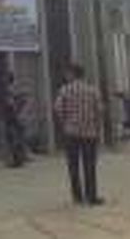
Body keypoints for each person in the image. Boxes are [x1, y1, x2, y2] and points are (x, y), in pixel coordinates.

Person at [54, 64, 104, 206]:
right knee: (90, 165)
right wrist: (97, 129)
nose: (65, 76)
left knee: (73, 166)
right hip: (90, 133)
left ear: (71, 74)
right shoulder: (93, 90)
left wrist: (65, 122)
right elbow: (99, 111)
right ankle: (91, 197)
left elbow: (57, 109)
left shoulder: (64, 90)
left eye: (67, 73)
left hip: (71, 133)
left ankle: (77, 197)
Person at [2, 72, 27, 168]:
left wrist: (16, 109)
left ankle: (16, 160)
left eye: (5, 78)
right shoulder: (14, 89)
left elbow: (13, 103)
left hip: (12, 117)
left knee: (13, 139)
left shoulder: (10, 90)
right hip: (13, 117)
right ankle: (17, 159)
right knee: (15, 139)